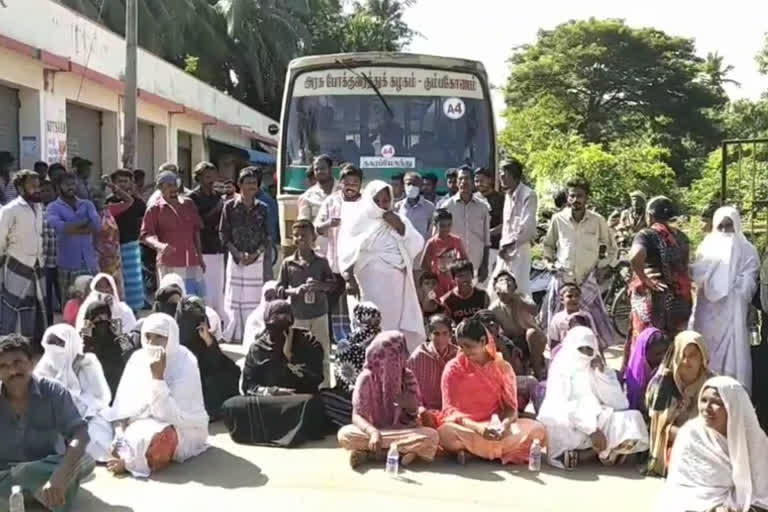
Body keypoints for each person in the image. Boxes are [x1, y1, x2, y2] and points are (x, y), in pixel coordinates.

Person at [107, 313, 208, 478]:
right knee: (111, 435)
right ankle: (129, 456)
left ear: (172, 338)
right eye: (147, 336)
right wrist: (120, 436)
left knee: (158, 441)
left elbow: (170, 415)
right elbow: (123, 407)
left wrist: (158, 378)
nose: (152, 343)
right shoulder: (138, 358)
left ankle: (129, 463)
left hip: (183, 427)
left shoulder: (185, 361)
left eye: (159, 337)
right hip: (142, 420)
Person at [0, 334, 94, 511]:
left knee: (85, 460)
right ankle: (43, 495)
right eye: (3, 366)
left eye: (17, 363)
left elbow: (80, 434)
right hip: (5, 475)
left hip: (47, 468)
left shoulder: (53, 391)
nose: (12, 371)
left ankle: (42, 493)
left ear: (32, 362)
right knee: (24, 473)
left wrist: (60, 474)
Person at [438, 316, 547, 465]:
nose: (464, 351)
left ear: (483, 341)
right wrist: (479, 429)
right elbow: (450, 412)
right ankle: (495, 452)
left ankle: (474, 454)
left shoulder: (502, 368)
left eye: (468, 346)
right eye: (460, 346)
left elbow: (511, 410)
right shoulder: (453, 368)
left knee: (537, 430)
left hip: (495, 429)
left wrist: (503, 427)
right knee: (444, 433)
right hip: (467, 427)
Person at [538, 326, 648, 469]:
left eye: (589, 350)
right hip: (570, 422)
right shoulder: (561, 367)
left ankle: (592, 453)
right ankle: (598, 452)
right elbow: (562, 405)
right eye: (581, 349)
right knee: (557, 426)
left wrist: (602, 375)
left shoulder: (596, 366)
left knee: (634, 419)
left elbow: (620, 404)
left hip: (598, 416)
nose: (585, 354)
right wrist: (592, 430)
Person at [223, 300, 327, 446]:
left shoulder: (308, 342)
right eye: (274, 326)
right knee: (231, 405)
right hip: (271, 401)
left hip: (299, 399)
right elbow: (248, 386)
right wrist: (272, 391)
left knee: (312, 403)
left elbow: (317, 378)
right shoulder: (258, 348)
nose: (279, 332)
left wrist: (290, 357)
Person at [658, 376, 768, 512]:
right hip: (695, 505)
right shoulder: (691, 434)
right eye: (703, 400)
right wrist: (714, 508)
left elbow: (762, 492)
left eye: (717, 402)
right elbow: (682, 486)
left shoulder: (754, 440)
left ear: (733, 406)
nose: (707, 408)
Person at [339, 180, 425, 350]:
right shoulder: (356, 220)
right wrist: (348, 278)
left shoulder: (398, 219)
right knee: (367, 328)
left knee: (391, 331)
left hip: (394, 288)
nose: (381, 205)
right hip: (366, 285)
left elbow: (417, 244)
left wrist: (400, 227)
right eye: (376, 201)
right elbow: (345, 251)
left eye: (385, 201)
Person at [337, 332, 439, 469]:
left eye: (395, 358)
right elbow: (357, 416)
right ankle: (401, 453)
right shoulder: (366, 378)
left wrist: (411, 407)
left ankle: (372, 454)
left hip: (401, 431)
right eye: (386, 358)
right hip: (373, 432)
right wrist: (373, 432)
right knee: (345, 434)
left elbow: (415, 413)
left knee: (431, 436)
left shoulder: (407, 376)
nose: (391, 363)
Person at [541, 176, 617, 348]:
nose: (576, 200)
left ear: (587, 198)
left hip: (587, 282)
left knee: (591, 329)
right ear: (568, 197)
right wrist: (549, 264)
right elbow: (548, 246)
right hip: (564, 281)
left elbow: (612, 248)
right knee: (559, 329)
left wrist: (604, 267)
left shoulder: (597, 221)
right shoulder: (558, 219)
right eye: (572, 196)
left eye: (580, 196)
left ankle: (594, 364)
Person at [690, 206, 759, 392]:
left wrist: (734, 285)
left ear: (736, 226)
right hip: (708, 313)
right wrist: (715, 279)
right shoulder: (706, 246)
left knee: (733, 356)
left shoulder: (747, 250)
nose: (725, 231)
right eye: (721, 226)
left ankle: (732, 397)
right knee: (706, 351)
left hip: (732, 311)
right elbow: (698, 273)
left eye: (729, 226)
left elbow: (750, 279)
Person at [35, 324, 114, 462]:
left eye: (59, 343)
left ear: (71, 344)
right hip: (55, 419)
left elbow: (102, 398)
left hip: (89, 415)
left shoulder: (88, 362)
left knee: (97, 434)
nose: (55, 348)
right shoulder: (44, 367)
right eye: (51, 343)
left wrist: (81, 373)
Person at [627, 196, 692, 363]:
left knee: (649, 345)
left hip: (655, 302)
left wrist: (645, 279)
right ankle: (672, 382)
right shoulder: (682, 237)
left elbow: (635, 256)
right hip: (680, 302)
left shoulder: (647, 234)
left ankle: (645, 383)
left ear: (649, 215)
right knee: (674, 346)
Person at [645, 331, 714, 477]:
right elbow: (661, 428)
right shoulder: (663, 384)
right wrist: (690, 436)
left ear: (702, 357)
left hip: (707, 440)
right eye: (682, 355)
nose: (686, 361)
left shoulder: (712, 383)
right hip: (676, 441)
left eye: (693, 355)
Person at [278, 219, 335, 387]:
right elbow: (279, 288)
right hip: (298, 316)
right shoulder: (288, 263)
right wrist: (294, 291)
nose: (300, 239)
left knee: (323, 353)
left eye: (304, 235)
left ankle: (324, 388)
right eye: (296, 235)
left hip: (319, 314)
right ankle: (301, 387)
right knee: (298, 354)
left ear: (313, 238)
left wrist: (320, 286)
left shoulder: (322, 262)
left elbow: (332, 285)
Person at [219, 166, 272, 343]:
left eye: (254, 183)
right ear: (239, 185)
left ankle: (251, 332)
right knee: (234, 296)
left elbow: (267, 236)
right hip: (235, 258)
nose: (252, 186)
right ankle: (234, 333)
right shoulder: (229, 207)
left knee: (253, 297)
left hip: (256, 260)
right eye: (248, 182)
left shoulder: (263, 208)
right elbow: (223, 234)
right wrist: (237, 253)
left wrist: (256, 254)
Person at [315, 163, 363, 342]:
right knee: (330, 303)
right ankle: (329, 340)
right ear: (341, 183)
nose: (351, 186)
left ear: (360, 184)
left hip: (359, 264)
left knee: (358, 303)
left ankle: (358, 340)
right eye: (347, 182)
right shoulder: (331, 201)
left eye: (355, 182)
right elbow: (317, 228)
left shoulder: (366, 203)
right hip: (334, 264)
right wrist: (329, 223)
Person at [141, 169, 206, 297]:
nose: (174, 188)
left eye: (175, 184)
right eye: (169, 185)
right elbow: (145, 235)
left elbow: (196, 231)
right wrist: (160, 246)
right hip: (169, 264)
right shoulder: (154, 209)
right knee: (171, 299)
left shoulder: (188, 204)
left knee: (194, 300)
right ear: (160, 188)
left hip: (192, 263)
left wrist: (200, 256)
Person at [0, 170, 47, 342]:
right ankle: (5, 345)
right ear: (20, 188)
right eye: (32, 186)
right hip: (16, 264)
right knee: (11, 307)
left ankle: (27, 344)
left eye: (38, 186)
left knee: (32, 306)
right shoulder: (9, 210)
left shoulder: (39, 207)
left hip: (36, 265)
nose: (37, 189)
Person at [176, 296, 240, 419]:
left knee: (230, 369)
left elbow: (217, 361)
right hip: (186, 394)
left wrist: (208, 340)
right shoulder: (175, 340)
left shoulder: (204, 337)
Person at [322, 301, 382, 429]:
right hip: (384, 403)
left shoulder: (345, 344)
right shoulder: (387, 341)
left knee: (323, 397)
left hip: (356, 401)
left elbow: (342, 382)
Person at [47, 172, 101, 303]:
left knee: (92, 301)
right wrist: (84, 223)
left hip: (89, 262)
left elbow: (97, 226)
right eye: (67, 185)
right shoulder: (53, 207)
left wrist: (71, 227)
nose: (71, 187)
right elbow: (61, 228)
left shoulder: (87, 204)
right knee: (70, 303)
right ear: (58, 187)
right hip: (68, 264)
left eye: (73, 184)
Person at [492, 159, 538, 299]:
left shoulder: (528, 195)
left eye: (504, 175)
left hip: (519, 250)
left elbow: (528, 229)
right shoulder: (507, 195)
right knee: (496, 288)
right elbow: (507, 226)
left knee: (518, 289)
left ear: (513, 175)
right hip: (504, 251)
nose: (501, 178)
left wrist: (508, 246)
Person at [488, 271, 546, 379]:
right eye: (501, 280)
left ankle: (538, 372)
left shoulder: (522, 297)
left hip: (533, 338)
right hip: (513, 341)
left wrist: (515, 298)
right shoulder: (494, 308)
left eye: (509, 280)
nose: (505, 282)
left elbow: (534, 310)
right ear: (496, 289)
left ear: (515, 286)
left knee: (531, 333)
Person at [188, 162, 226, 317]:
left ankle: (219, 316)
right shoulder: (193, 198)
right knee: (205, 286)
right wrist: (217, 208)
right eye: (207, 176)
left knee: (218, 285)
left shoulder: (218, 196)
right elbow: (198, 223)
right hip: (202, 247)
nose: (211, 180)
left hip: (218, 246)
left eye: (213, 176)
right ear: (199, 178)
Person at [440, 166, 490, 282]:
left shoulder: (483, 207)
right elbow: (441, 238)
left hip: (476, 266)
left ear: (473, 182)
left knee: (477, 299)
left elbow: (486, 240)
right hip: (453, 267)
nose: (464, 182)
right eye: (460, 179)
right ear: (457, 182)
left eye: (467, 179)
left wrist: (485, 266)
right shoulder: (447, 207)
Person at [106, 169, 146, 310]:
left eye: (125, 181)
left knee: (133, 282)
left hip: (131, 245)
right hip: (114, 247)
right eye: (119, 181)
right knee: (118, 281)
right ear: (113, 183)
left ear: (131, 183)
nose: (122, 184)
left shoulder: (136, 201)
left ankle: (134, 312)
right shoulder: (110, 201)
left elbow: (143, 215)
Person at [79, 299, 136, 398]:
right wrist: (86, 334)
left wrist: (120, 335)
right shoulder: (85, 338)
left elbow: (130, 353)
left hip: (118, 385)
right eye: (97, 319)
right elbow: (81, 355)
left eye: (104, 318)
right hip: (94, 387)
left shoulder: (116, 335)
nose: (102, 323)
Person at [407, 314, 457, 411]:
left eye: (445, 333)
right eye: (436, 334)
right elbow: (409, 388)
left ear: (450, 334)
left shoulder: (457, 354)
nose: (440, 338)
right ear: (429, 335)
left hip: (453, 408)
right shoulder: (419, 356)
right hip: (425, 410)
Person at [91, 178, 127, 299]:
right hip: (98, 261)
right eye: (94, 196)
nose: (97, 199)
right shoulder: (87, 213)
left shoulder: (110, 210)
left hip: (114, 260)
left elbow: (129, 201)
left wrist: (113, 186)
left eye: (100, 196)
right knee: (101, 293)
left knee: (116, 292)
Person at [421, 208, 468, 298]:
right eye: (442, 226)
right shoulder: (432, 242)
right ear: (435, 225)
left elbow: (465, 260)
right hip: (438, 283)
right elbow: (423, 264)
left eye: (449, 225)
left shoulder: (456, 240)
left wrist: (458, 271)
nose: (446, 228)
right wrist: (433, 278)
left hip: (454, 281)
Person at [75, 272, 137, 336]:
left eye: (107, 288)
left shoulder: (124, 310)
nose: (105, 291)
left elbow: (131, 333)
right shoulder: (87, 310)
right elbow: (84, 334)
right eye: (100, 288)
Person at [625, 327, 670, 413]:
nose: (663, 357)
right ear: (644, 353)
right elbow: (637, 401)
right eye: (657, 354)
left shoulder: (664, 367)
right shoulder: (635, 377)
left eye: (665, 352)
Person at [298, 154, 335, 257]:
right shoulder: (306, 197)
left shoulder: (344, 192)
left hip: (343, 252)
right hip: (319, 252)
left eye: (322, 168)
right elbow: (303, 227)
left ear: (330, 169)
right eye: (316, 169)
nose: (319, 172)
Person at [547, 283, 599, 350]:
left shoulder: (586, 316)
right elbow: (554, 341)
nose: (574, 299)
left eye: (577, 295)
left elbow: (594, 338)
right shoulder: (557, 318)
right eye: (569, 296)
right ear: (562, 300)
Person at [474, 167, 504, 274]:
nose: (479, 184)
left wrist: (488, 233)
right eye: (476, 181)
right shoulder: (472, 199)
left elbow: (505, 224)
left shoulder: (501, 199)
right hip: (475, 248)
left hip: (494, 247)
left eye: (482, 181)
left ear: (490, 180)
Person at [441, 259, 489, 326]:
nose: (465, 279)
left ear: (472, 275)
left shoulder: (483, 295)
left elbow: (488, 319)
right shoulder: (447, 300)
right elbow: (446, 325)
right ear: (453, 279)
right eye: (460, 276)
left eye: (467, 274)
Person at [42, 179, 61, 325]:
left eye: (48, 190)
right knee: (46, 297)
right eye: (42, 191)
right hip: (45, 262)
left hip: (62, 261)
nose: (45, 193)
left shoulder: (62, 209)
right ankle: (48, 326)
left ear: (55, 192)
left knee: (65, 296)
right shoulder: (36, 210)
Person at [395, 171, 435, 241]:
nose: (411, 187)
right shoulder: (397, 207)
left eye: (415, 184)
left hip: (422, 249)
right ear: (404, 186)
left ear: (420, 186)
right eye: (409, 184)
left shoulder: (430, 207)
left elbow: (431, 232)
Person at [242, 280, 278, 352]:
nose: (273, 300)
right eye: (269, 297)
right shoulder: (256, 316)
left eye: (276, 297)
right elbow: (255, 340)